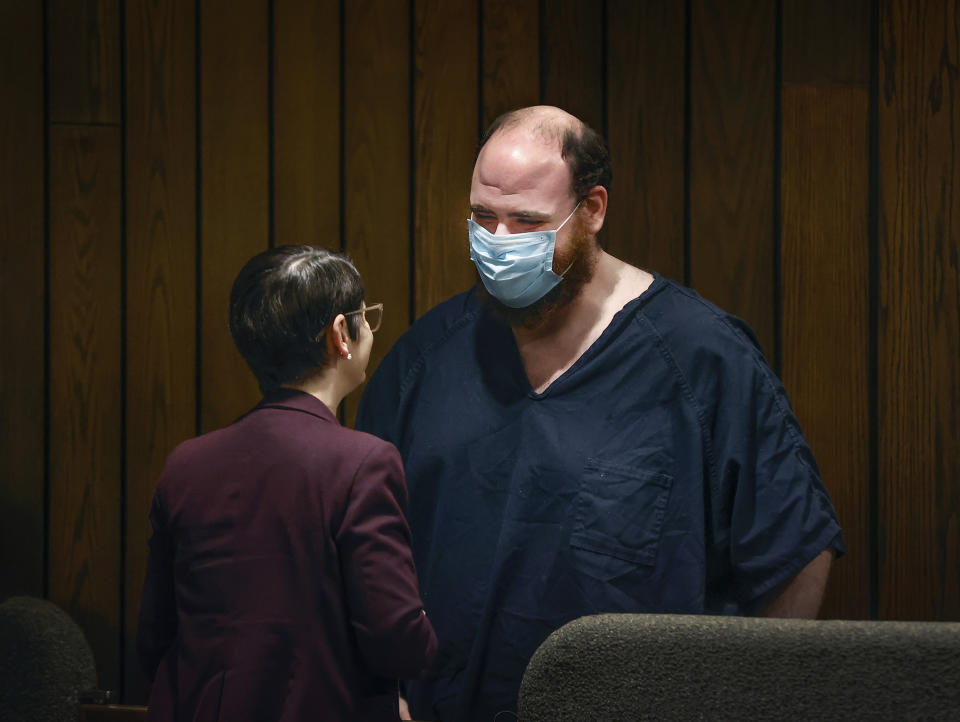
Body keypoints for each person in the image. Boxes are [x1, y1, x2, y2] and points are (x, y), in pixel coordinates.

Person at [355, 106, 844, 721]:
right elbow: (360, 546)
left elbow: (794, 552)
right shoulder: (429, 357)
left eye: (528, 223)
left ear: (592, 211)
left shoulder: (699, 359)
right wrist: (385, 694)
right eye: (484, 217)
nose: (500, 244)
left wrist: (749, 698)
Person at [137, 246, 437, 722]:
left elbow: (155, 637)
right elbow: (397, 642)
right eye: (365, 317)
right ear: (342, 333)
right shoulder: (363, 462)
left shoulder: (185, 465)